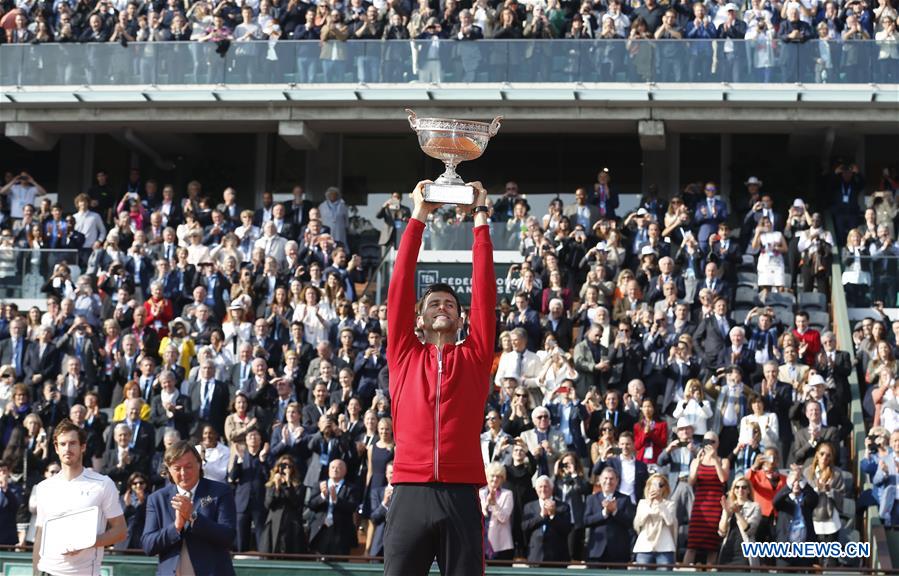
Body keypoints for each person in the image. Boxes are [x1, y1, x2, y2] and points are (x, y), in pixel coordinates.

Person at [383, 181, 495, 576]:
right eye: (433, 303)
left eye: (450, 303)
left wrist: (480, 218)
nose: (443, 306)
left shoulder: (476, 356)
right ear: (420, 318)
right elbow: (398, 287)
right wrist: (419, 216)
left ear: (461, 318)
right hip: (409, 491)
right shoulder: (403, 353)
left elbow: (484, 293)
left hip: (461, 493)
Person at [32, 419, 127, 576]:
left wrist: (88, 542)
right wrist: (35, 572)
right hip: (47, 571)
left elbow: (121, 531)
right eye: (62, 444)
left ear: (83, 446)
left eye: (72, 443)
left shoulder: (103, 484)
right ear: (56, 448)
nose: (67, 449)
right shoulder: (43, 488)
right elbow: (40, 534)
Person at [141, 440, 237, 576]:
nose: (183, 472)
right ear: (168, 469)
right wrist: (175, 527)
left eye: (189, 466)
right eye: (177, 468)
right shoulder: (157, 499)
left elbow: (228, 536)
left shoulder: (220, 492)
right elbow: (148, 545)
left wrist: (193, 517)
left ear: (199, 464)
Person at [583, 466, 636, 564]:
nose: (608, 481)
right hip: (596, 551)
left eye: (611, 479)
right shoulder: (591, 499)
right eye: (605, 478)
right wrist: (604, 513)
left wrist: (615, 511)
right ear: (600, 480)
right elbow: (586, 520)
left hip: (618, 551)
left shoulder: (625, 499)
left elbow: (630, 522)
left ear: (617, 481)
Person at [260, 455, 307, 554]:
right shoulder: (270, 485)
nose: (286, 469)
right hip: (274, 525)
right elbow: (268, 504)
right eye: (283, 466)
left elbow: (296, 503)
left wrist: (288, 483)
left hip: (291, 525)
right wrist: (277, 487)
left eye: (289, 466)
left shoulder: (299, 486)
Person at [632, 473, 677, 569]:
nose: (657, 488)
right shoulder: (643, 503)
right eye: (653, 484)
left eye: (660, 485)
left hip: (664, 547)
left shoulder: (669, 504)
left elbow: (670, 522)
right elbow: (638, 523)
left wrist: (660, 503)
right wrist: (650, 503)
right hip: (645, 546)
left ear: (664, 488)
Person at [717, 476, 761, 565]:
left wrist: (737, 513)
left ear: (749, 490)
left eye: (744, 487)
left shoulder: (755, 506)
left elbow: (750, 530)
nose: (740, 489)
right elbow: (721, 532)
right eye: (737, 487)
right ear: (733, 489)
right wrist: (726, 513)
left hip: (744, 553)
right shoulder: (729, 505)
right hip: (727, 551)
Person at [480, 462, 515, 560]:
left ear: (503, 478)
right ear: (487, 476)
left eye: (499, 476)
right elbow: (478, 515)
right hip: (481, 542)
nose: (495, 479)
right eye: (492, 476)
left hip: (501, 545)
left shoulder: (507, 494)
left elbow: (503, 518)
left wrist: (494, 504)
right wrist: (487, 503)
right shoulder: (480, 493)